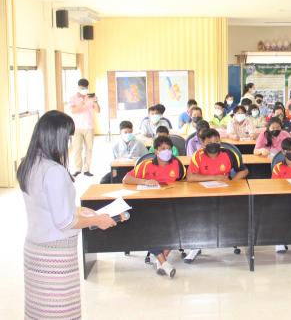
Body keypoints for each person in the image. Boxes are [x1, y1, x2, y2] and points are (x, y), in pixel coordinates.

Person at [19, 111, 123, 319]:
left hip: (35, 249)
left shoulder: (28, 164)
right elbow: (64, 222)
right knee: (60, 311)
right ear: (55, 137)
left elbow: (45, 205)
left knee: (39, 310)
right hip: (55, 254)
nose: (68, 143)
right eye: (67, 138)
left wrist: (79, 210)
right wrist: (97, 220)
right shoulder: (54, 171)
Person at [124, 136, 186, 277]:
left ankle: (161, 261)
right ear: (156, 151)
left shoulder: (176, 164)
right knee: (148, 229)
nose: (167, 151)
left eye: (169, 149)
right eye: (163, 149)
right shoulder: (146, 165)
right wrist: (145, 181)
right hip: (150, 206)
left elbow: (185, 181)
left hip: (170, 204)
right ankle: (163, 263)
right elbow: (126, 179)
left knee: (179, 226)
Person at [186, 128, 248, 263]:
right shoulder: (198, 155)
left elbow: (243, 171)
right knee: (196, 215)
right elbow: (190, 177)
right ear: (203, 143)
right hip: (203, 194)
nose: (213, 144)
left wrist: (232, 182)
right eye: (209, 142)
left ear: (220, 141)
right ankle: (195, 246)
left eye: (216, 141)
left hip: (224, 192)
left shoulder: (229, 154)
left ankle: (232, 237)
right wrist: (214, 177)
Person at [68, 78, 100, 177]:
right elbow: (73, 111)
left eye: (85, 88)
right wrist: (82, 102)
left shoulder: (91, 97)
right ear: (78, 87)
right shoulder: (73, 98)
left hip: (89, 127)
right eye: (82, 88)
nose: (84, 89)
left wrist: (95, 101)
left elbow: (98, 111)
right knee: (77, 148)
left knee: (89, 149)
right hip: (76, 127)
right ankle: (78, 169)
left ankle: (86, 169)